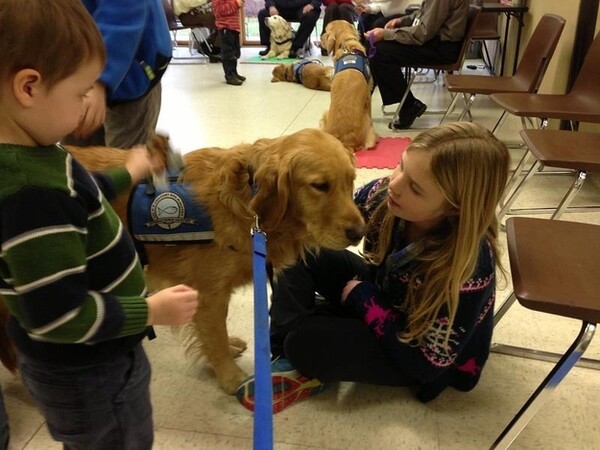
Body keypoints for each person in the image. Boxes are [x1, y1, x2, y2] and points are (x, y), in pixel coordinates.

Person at [0, 1, 199, 448]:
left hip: (90, 356)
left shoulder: (31, 150)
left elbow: (77, 192)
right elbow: (61, 317)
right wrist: (150, 310)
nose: (87, 107)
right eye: (81, 92)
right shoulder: (30, 199)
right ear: (29, 87)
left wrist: (125, 174)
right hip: (87, 371)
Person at [236, 122, 509, 413]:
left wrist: (363, 300)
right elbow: (333, 219)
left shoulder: (468, 270)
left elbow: (428, 363)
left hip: (414, 353)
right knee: (298, 249)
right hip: (382, 295)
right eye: (400, 166)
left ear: (454, 207)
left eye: (415, 188)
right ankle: (287, 353)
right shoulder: (384, 196)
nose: (395, 184)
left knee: (305, 342)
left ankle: (301, 346)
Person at [62, 0, 173, 149]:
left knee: (127, 159)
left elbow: (124, 12)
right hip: (73, 72)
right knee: (76, 158)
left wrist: (100, 78)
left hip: (133, 71)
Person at [365, 0, 469, 129]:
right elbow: (424, 14)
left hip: (441, 47)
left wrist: (385, 34)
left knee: (379, 52)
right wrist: (402, 21)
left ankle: (408, 105)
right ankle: (403, 103)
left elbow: (422, 33)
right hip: (435, 41)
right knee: (379, 34)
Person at [258, 0, 323, 59]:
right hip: (280, 8)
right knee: (262, 14)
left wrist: (312, 4)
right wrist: (271, 5)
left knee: (310, 17)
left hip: (304, 7)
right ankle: (270, 47)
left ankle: (294, 48)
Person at [213, 0, 246, 85]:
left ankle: (234, 72)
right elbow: (219, 10)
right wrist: (235, 3)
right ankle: (229, 75)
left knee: (235, 52)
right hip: (225, 27)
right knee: (228, 53)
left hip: (234, 28)